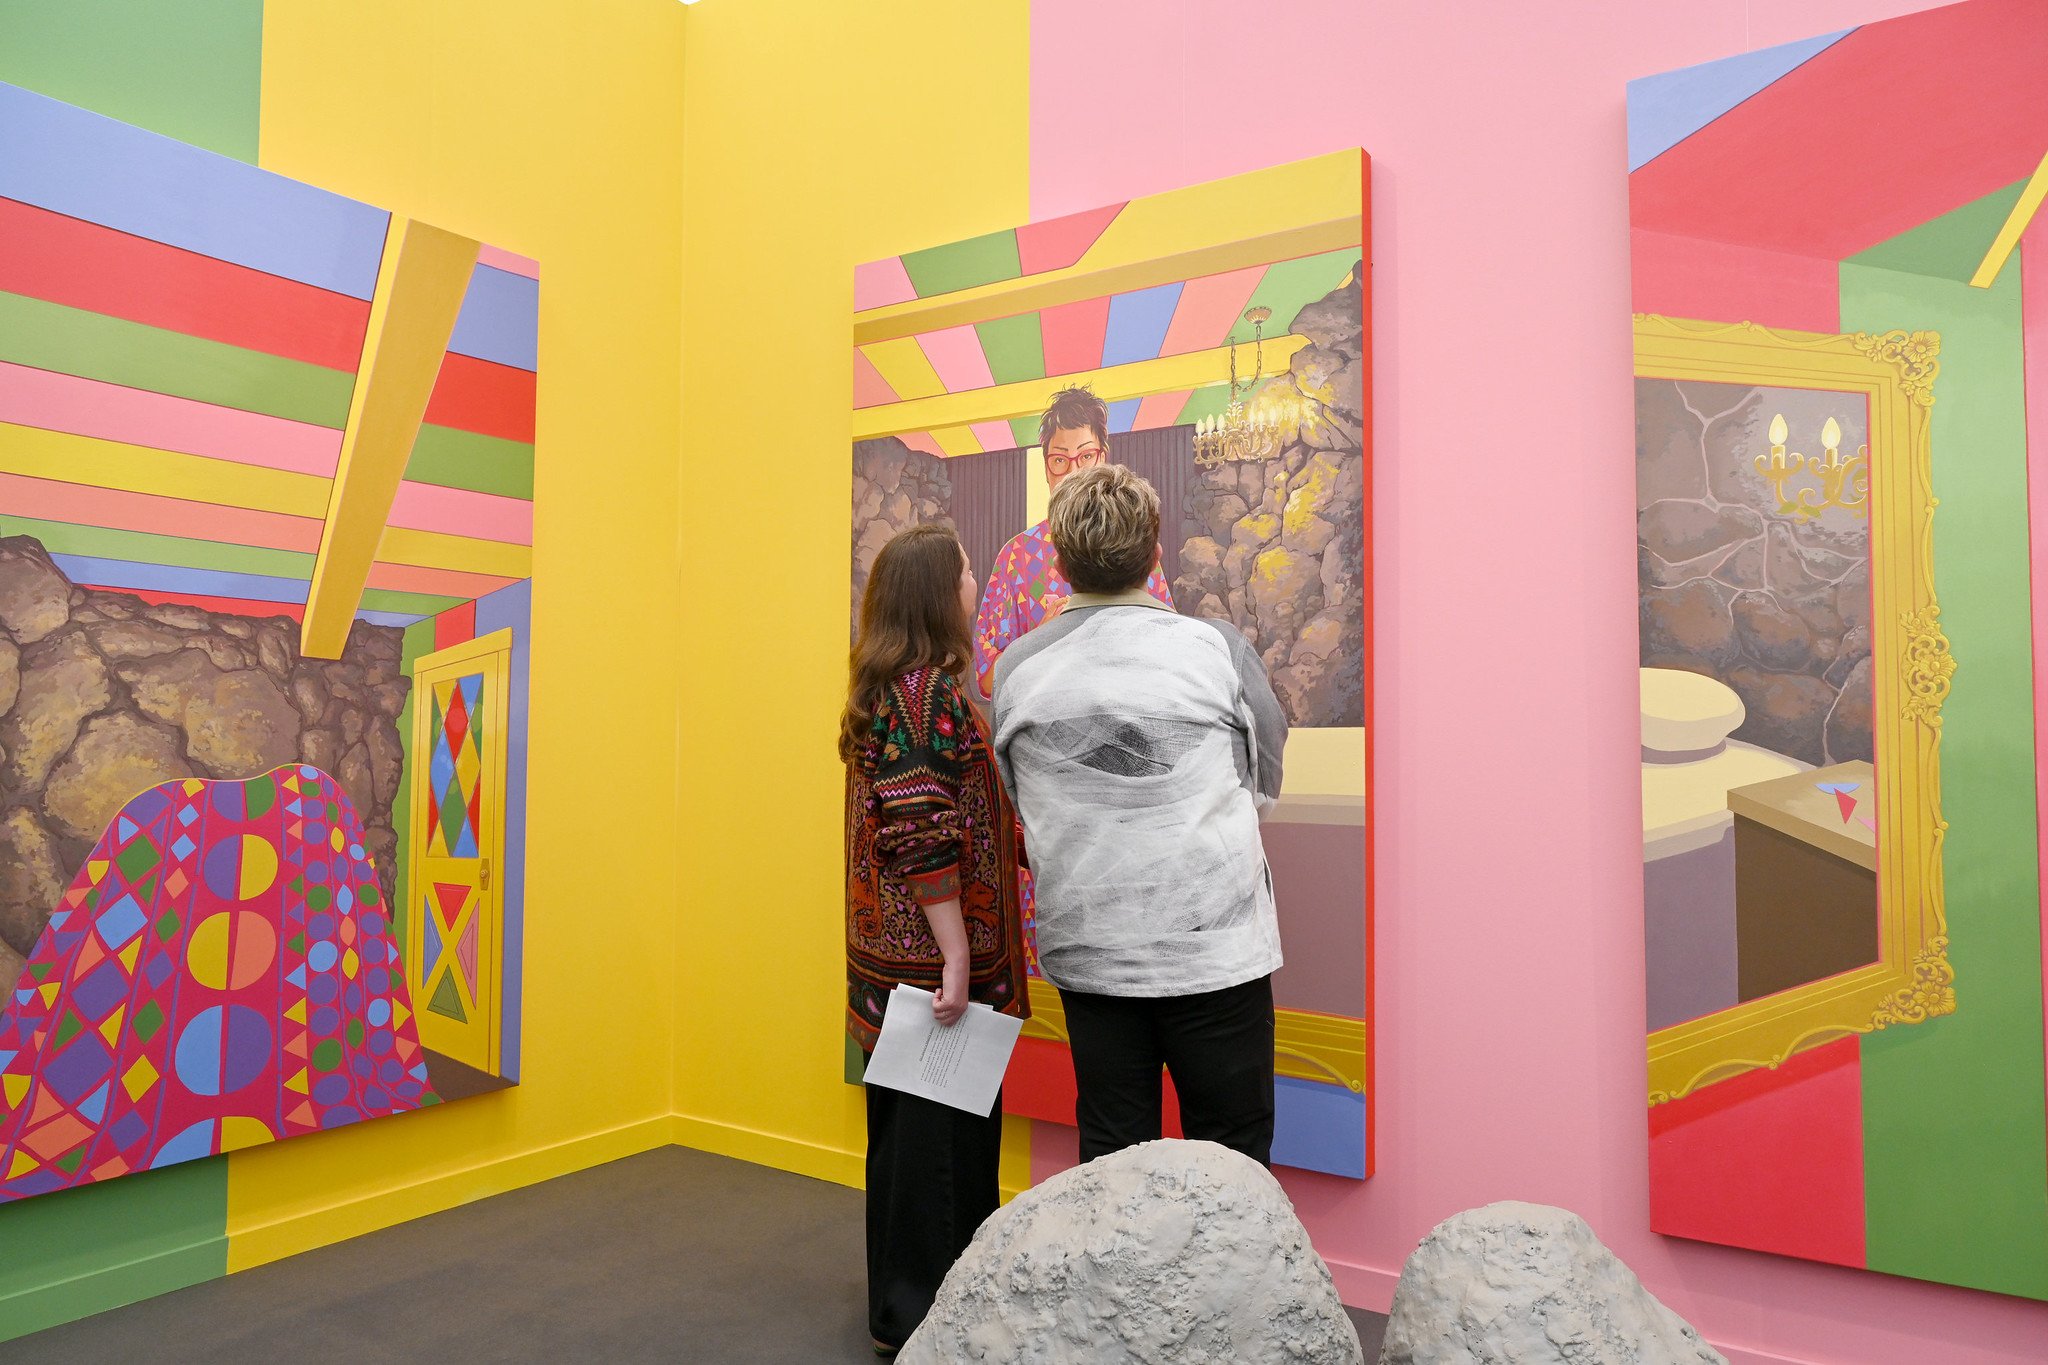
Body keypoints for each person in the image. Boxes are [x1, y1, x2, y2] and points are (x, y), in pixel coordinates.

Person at [989, 464, 1287, 1168]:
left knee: (1114, 1166)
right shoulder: (1217, 650)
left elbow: (1022, 802)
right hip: (1216, 954)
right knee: (1235, 1166)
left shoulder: (1016, 671)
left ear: (1058, 563)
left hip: (1093, 958)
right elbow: (1263, 778)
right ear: (1156, 553)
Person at [839, 522, 1029, 1355]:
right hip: (931, 982)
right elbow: (920, 831)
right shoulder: (924, 696)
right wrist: (957, 956)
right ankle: (926, 1320)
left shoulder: (890, 690)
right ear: (932, 595)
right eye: (962, 574)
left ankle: (903, 1309)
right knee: (939, 1161)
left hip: (898, 980)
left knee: (911, 1154)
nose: (973, 584)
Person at [971, 386, 1174, 701]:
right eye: (1059, 460)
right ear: (1046, 469)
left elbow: (1169, 645)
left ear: (1103, 459)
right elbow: (986, 680)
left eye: (1086, 455)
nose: (1073, 472)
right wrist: (1042, 638)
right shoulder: (1017, 556)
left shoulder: (1134, 540)